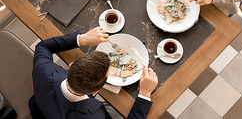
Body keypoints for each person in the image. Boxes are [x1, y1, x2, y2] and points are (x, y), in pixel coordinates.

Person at [28, 27, 158, 119]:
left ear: (72, 64)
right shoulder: (95, 115)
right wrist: (144, 94)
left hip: (40, 109)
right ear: (95, 92)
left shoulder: (44, 71)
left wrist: (80, 39)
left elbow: (43, 46)